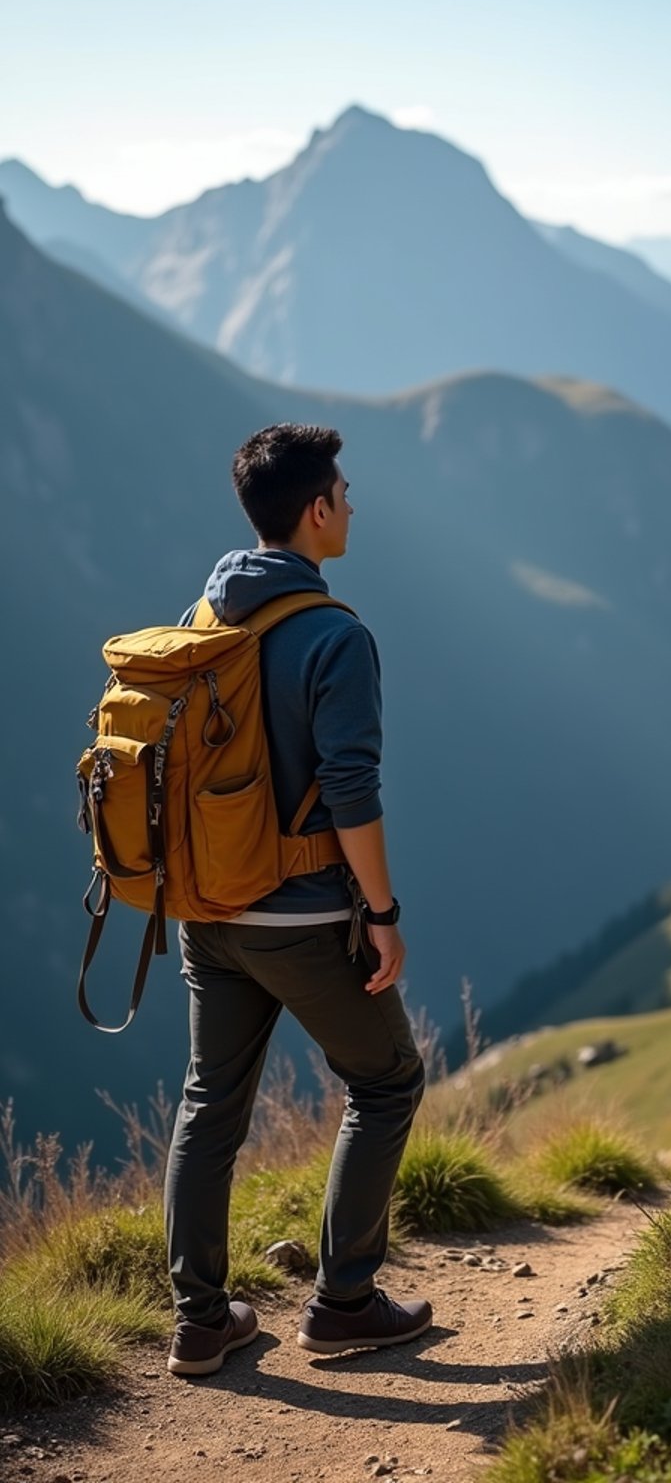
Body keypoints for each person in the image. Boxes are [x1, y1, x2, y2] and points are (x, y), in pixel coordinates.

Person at [163, 423, 429, 1378]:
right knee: (388, 1081)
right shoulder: (334, 636)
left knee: (210, 1105)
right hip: (306, 919)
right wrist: (385, 913)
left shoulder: (204, 617)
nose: (353, 504)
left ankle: (200, 1321)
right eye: (345, 493)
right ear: (316, 511)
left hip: (206, 914)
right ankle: (345, 1302)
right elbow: (351, 788)